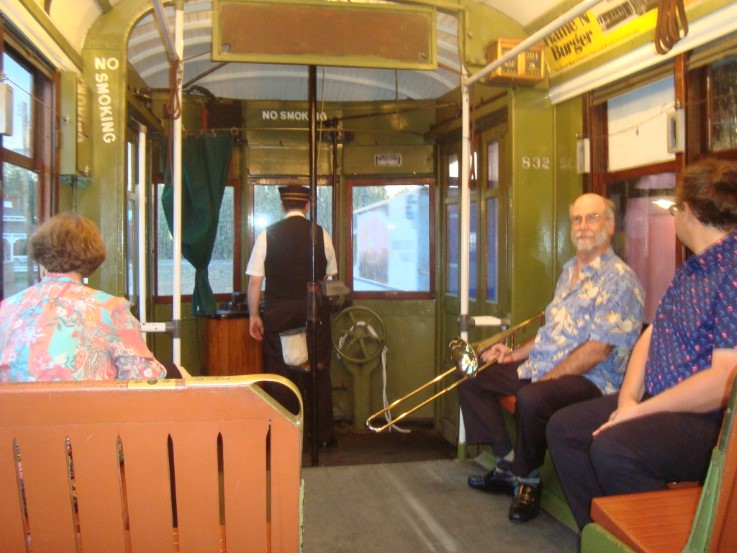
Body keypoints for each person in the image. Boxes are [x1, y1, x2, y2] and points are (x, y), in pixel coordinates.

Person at [547, 159, 737, 531]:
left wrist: (641, 412)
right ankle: (600, 536)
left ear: (690, 212)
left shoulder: (731, 271)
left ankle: (656, 536)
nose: (674, 217)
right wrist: (628, 401)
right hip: (659, 402)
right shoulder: (693, 269)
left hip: (709, 422)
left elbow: (724, 380)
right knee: (565, 428)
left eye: (676, 208)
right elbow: (652, 335)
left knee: (614, 450)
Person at [458, 193, 645, 523]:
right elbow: (552, 332)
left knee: (531, 397)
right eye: (577, 219)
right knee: (472, 373)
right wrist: (512, 354)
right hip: (546, 364)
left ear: (610, 225)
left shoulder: (619, 279)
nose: (583, 226)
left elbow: (598, 350)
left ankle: (528, 482)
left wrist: (547, 378)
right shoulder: (569, 271)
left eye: (592, 218)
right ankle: (508, 463)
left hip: (594, 380)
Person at [0, 212, 172, 381]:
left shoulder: (6, 307)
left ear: (40, 251)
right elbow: (145, 376)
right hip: (84, 408)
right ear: (92, 255)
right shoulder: (109, 309)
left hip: (14, 409)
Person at [246, 185, 337, 447]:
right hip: (314, 314)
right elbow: (331, 275)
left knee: (280, 374)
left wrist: (254, 315)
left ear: (282, 206)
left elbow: (255, 282)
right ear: (307, 206)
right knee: (318, 372)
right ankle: (321, 438)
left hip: (279, 315)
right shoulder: (321, 235)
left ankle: (283, 438)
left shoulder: (267, 235)